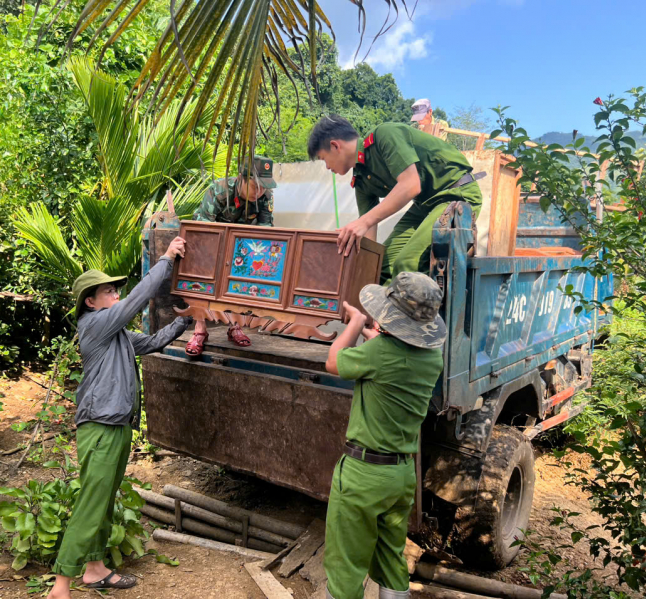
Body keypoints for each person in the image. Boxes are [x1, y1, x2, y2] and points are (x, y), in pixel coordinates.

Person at [47, 237, 191, 599]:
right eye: (108, 292)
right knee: (91, 502)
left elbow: (154, 342)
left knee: (104, 499)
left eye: (114, 290)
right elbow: (135, 301)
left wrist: (187, 321)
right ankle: (60, 584)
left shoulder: (119, 336)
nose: (114, 295)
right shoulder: (94, 326)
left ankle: (95, 570)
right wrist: (166, 261)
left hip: (117, 426)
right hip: (100, 426)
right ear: (91, 302)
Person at [322, 272, 446, 599]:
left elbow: (333, 361)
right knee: (391, 557)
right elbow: (394, 351)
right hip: (401, 475)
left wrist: (355, 322)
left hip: (364, 475)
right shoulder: (432, 356)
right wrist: (372, 332)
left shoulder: (379, 355)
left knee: (345, 563)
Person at [307, 115, 483, 284]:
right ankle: (373, 314)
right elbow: (369, 237)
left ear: (335, 146)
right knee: (382, 267)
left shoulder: (384, 135)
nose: (328, 167)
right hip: (425, 205)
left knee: (407, 264)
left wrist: (362, 222)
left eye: (324, 159)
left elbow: (411, 185)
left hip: (457, 193)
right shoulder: (360, 180)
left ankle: (406, 314)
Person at [185, 155, 277, 356]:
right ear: (240, 178)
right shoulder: (219, 190)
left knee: (245, 271)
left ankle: (235, 325)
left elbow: (266, 231)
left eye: (264, 187)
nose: (260, 191)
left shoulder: (265, 197)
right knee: (201, 271)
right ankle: (200, 329)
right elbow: (202, 227)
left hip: (242, 245)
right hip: (210, 243)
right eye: (255, 186)